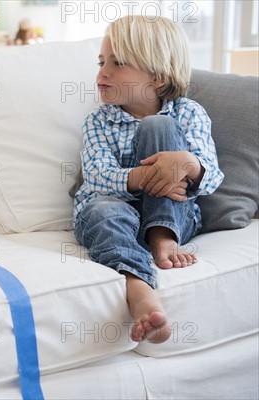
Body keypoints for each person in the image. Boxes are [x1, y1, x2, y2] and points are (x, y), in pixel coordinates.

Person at [73, 16, 223, 344]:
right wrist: (145, 177)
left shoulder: (188, 114)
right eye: (101, 62)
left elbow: (212, 176)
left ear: (156, 77)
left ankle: (161, 235)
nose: (103, 72)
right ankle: (138, 286)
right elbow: (97, 175)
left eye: (118, 62)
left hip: (174, 215)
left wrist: (188, 165)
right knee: (102, 210)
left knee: (158, 127)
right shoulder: (97, 121)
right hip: (113, 212)